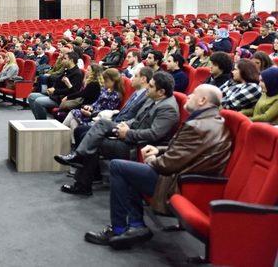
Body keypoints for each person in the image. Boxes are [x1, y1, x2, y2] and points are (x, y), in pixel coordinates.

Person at [84, 85, 231, 249]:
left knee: (118, 167)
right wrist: (159, 149)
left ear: (203, 100)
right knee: (130, 171)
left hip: (176, 182)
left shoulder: (197, 126)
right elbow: (186, 151)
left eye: (193, 94)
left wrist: (153, 160)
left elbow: (168, 165)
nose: (188, 96)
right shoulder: (209, 121)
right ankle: (136, 225)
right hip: (181, 175)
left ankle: (119, 229)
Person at [55, 72, 179, 196]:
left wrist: (128, 133)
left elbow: (153, 135)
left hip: (137, 146)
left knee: (94, 142)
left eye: (151, 86)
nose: (147, 87)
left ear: (161, 92)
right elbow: (136, 119)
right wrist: (125, 125)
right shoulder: (153, 99)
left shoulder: (168, 109)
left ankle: (82, 183)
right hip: (131, 134)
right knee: (102, 123)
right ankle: (79, 158)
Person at [62, 68, 124, 140]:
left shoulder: (115, 96)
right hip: (92, 112)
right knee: (73, 121)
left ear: (113, 81)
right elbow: (97, 102)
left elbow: (107, 112)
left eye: (106, 81)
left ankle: (60, 134)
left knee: (73, 114)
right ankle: (71, 143)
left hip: (97, 118)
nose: (104, 82)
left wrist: (91, 114)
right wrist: (90, 107)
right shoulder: (106, 89)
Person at [28, 52, 84, 120]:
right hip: (55, 95)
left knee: (38, 102)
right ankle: (38, 119)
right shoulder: (66, 70)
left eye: (64, 59)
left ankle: (42, 122)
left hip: (62, 99)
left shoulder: (77, 74)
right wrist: (53, 88)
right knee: (31, 96)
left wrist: (55, 91)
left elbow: (73, 91)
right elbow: (58, 81)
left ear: (71, 60)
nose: (62, 60)